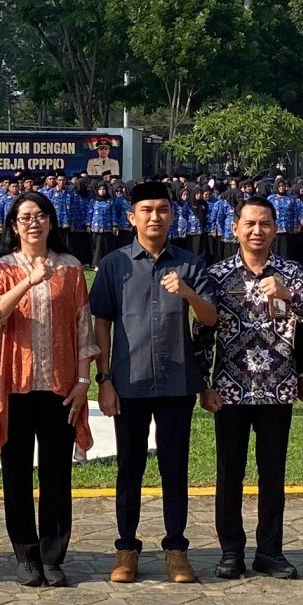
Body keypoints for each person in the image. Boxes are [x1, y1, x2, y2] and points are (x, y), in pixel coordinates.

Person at [86, 180, 219, 583]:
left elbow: (210, 318)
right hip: (129, 382)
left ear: (172, 215)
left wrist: (188, 294)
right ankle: (126, 549)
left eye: (162, 209)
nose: (155, 217)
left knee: (174, 468)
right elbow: (102, 324)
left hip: (177, 382)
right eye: (146, 210)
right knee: (130, 469)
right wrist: (104, 379)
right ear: (132, 217)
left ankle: (176, 549)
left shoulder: (190, 264)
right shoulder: (115, 264)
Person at [0, 190, 93, 587]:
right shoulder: (2, 268)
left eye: (40, 215)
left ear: (51, 221)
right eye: (25, 217)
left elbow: (83, 328)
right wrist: (28, 280)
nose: (33, 222)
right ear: (13, 225)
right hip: (16, 384)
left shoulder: (71, 268)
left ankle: (53, 556)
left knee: (57, 473)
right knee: (16, 472)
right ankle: (26, 554)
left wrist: (83, 381)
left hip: (61, 385)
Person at [202, 197, 303, 580]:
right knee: (229, 473)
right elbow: (202, 332)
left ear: (275, 228)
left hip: (277, 387)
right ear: (234, 228)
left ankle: (270, 551)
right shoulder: (217, 275)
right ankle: (231, 550)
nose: (257, 231)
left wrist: (289, 295)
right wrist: (204, 385)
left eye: (265, 224)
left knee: (273, 474)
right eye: (250, 224)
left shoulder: (292, 272)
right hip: (231, 389)